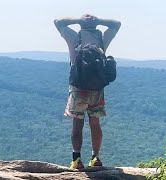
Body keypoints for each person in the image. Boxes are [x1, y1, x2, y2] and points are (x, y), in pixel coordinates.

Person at [54, 14, 121, 169]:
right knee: (95, 123)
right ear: (95, 26)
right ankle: (95, 158)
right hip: (97, 88)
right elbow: (116, 24)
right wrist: (99, 20)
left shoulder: (73, 37)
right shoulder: (102, 39)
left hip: (78, 87)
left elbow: (58, 22)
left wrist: (78, 20)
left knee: (77, 123)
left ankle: (76, 160)